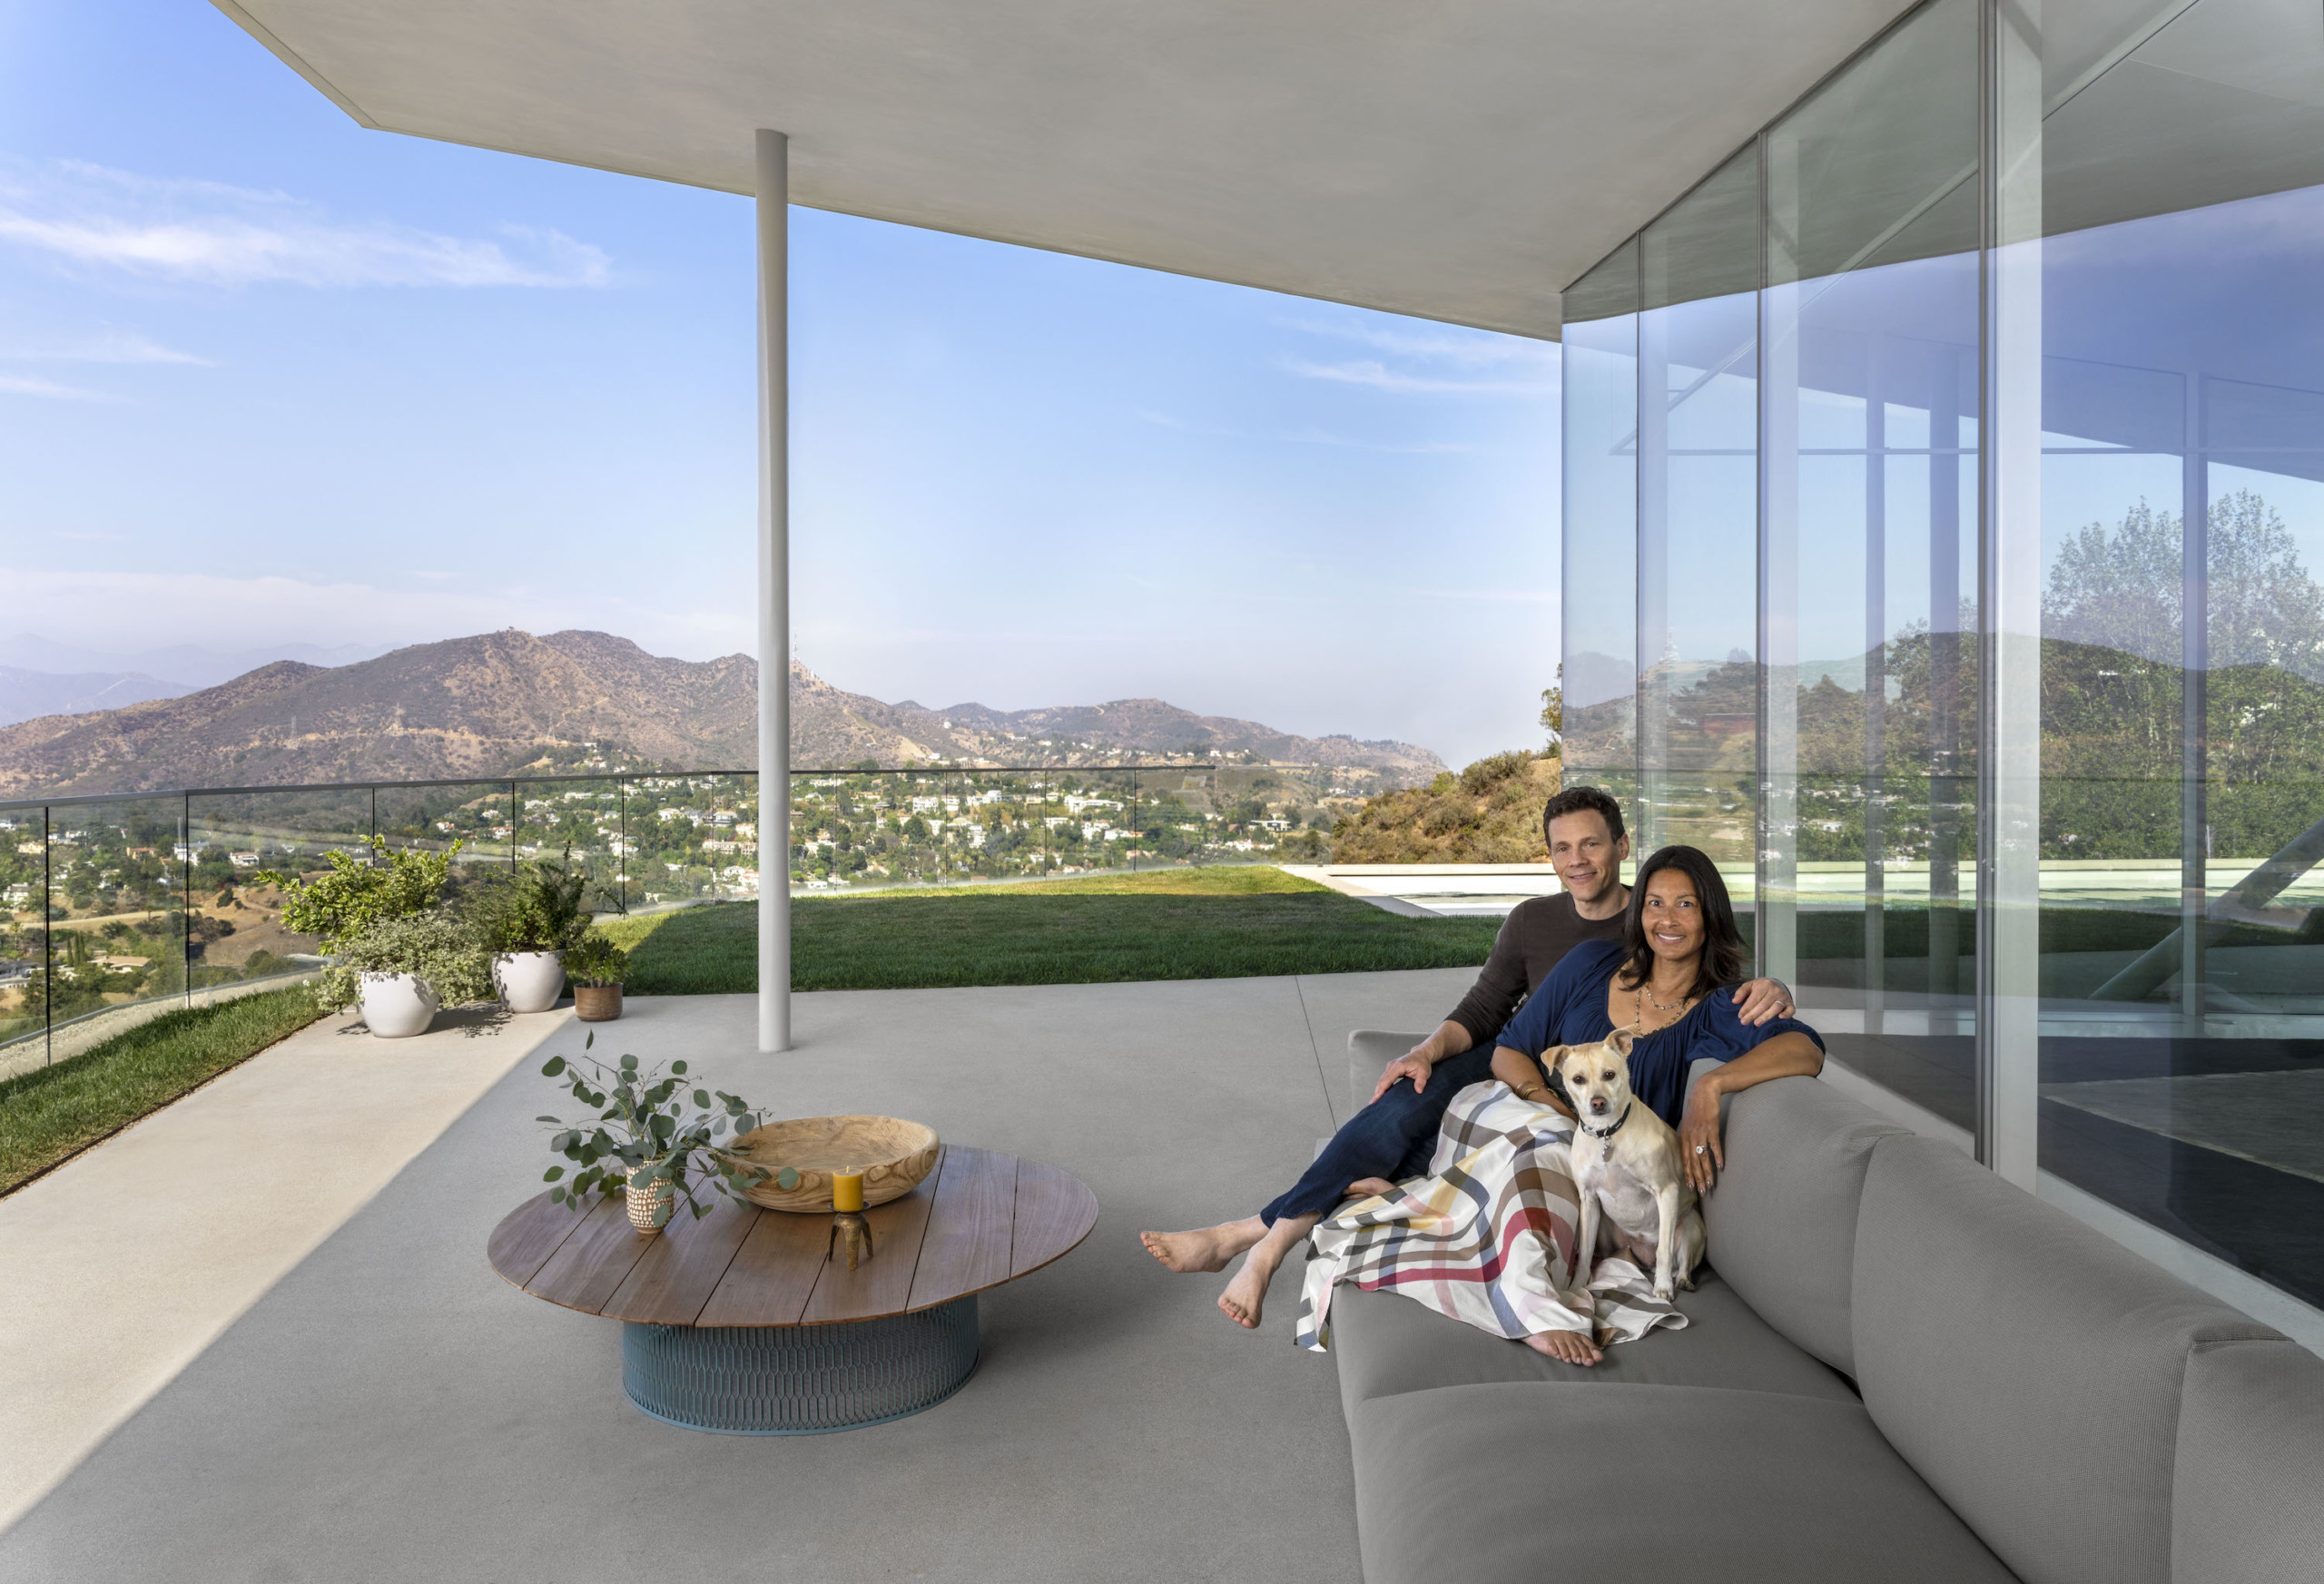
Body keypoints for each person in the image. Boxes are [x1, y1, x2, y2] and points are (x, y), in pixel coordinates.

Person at [1138, 787, 1797, 1330]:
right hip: (1512, 1065)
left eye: (1591, 843)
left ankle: (1259, 1233)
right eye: (1562, 847)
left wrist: (1753, 1024)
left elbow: (1748, 1019)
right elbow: (1489, 1012)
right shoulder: (1551, 930)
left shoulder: (1670, 956)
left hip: (1581, 1104)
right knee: (1395, 1114)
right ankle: (1261, 1239)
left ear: (1622, 848)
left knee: (1404, 1166)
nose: (1579, 859)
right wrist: (1427, 1052)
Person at [1309, 842, 1822, 1366]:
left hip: (1605, 1150)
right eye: (1654, 903)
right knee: (1541, 1146)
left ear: (1710, 917)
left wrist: (1710, 1089)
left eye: (1686, 904)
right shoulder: (1589, 964)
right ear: (1637, 909)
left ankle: (1467, 1254)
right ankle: (1436, 1223)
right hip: (1538, 1117)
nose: (1667, 919)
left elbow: (1804, 1047)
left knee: (1545, 1163)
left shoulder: (1720, 1007)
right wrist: (1556, 1111)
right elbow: (1510, 1050)